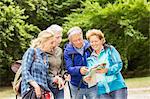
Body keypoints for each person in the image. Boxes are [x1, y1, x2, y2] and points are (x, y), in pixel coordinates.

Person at [86, 29, 127, 99]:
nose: (94, 44)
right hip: (102, 91)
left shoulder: (110, 50)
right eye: (91, 42)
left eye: (96, 41)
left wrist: (107, 70)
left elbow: (119, 64)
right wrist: (88, 78)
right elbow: (90, 74)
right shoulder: (90, 59)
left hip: (117, 87)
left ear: (102, 40)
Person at [64, 26, 97, 99]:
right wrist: (79, 70)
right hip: (76, 85)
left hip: (92, 84)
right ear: (71, 41)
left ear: (82, 36)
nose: (78, 42)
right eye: (75, 41)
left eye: (80, 39)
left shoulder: (90, 46)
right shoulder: (67, 51)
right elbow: (69, 68)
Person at [21, 30, 56, 99]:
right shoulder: (31, 51)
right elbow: (25, 71)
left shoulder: (45, 57)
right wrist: (36, 86)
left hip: (43, 93)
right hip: (31, 92)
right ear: (44, 42)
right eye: (51, 43)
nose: (53, 45)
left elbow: (45, 77)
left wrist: (54, 80)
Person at [46, 24, 66, 99]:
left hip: (59, 85)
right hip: (46, 85)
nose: (60, 40)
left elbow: (62, 68)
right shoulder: (42, 51)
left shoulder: (59, 50)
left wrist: (64, 75)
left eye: (61, 37)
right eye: (57, 37)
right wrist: (53, 78)